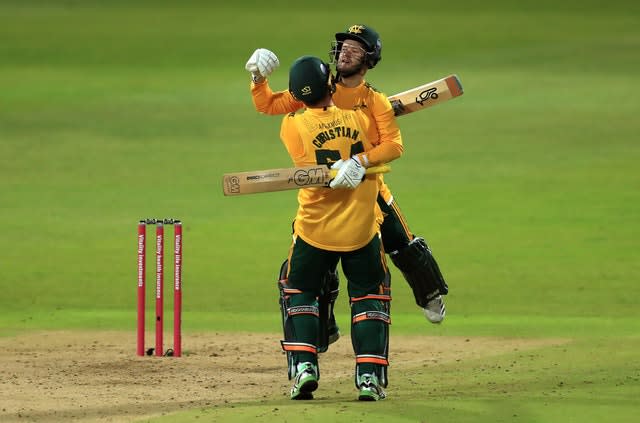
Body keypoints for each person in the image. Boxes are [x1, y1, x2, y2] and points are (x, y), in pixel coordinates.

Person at [245, 24, 449, 345]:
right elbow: (268, 105)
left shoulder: (374, 100)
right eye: (343, 46)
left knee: (402, 244)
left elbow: (393, 145)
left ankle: (430, 294)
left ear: (369, 58)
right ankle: (324, 328)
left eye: (355, 47)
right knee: (316, 261)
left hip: (368, 188)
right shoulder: (320, 88)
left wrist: (359, 162)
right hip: (323, 194)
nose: (345, 52)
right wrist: (258, 78)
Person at [277, 55, 402, 400]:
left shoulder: (291, 126)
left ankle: (304, 366)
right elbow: (390, 146)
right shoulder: (360, 119)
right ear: (330, 85)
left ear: (298, 97)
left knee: (298, 288)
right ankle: (368, 378)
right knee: (370, 294)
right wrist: (361, 160)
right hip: (360, 229)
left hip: (314, 230)